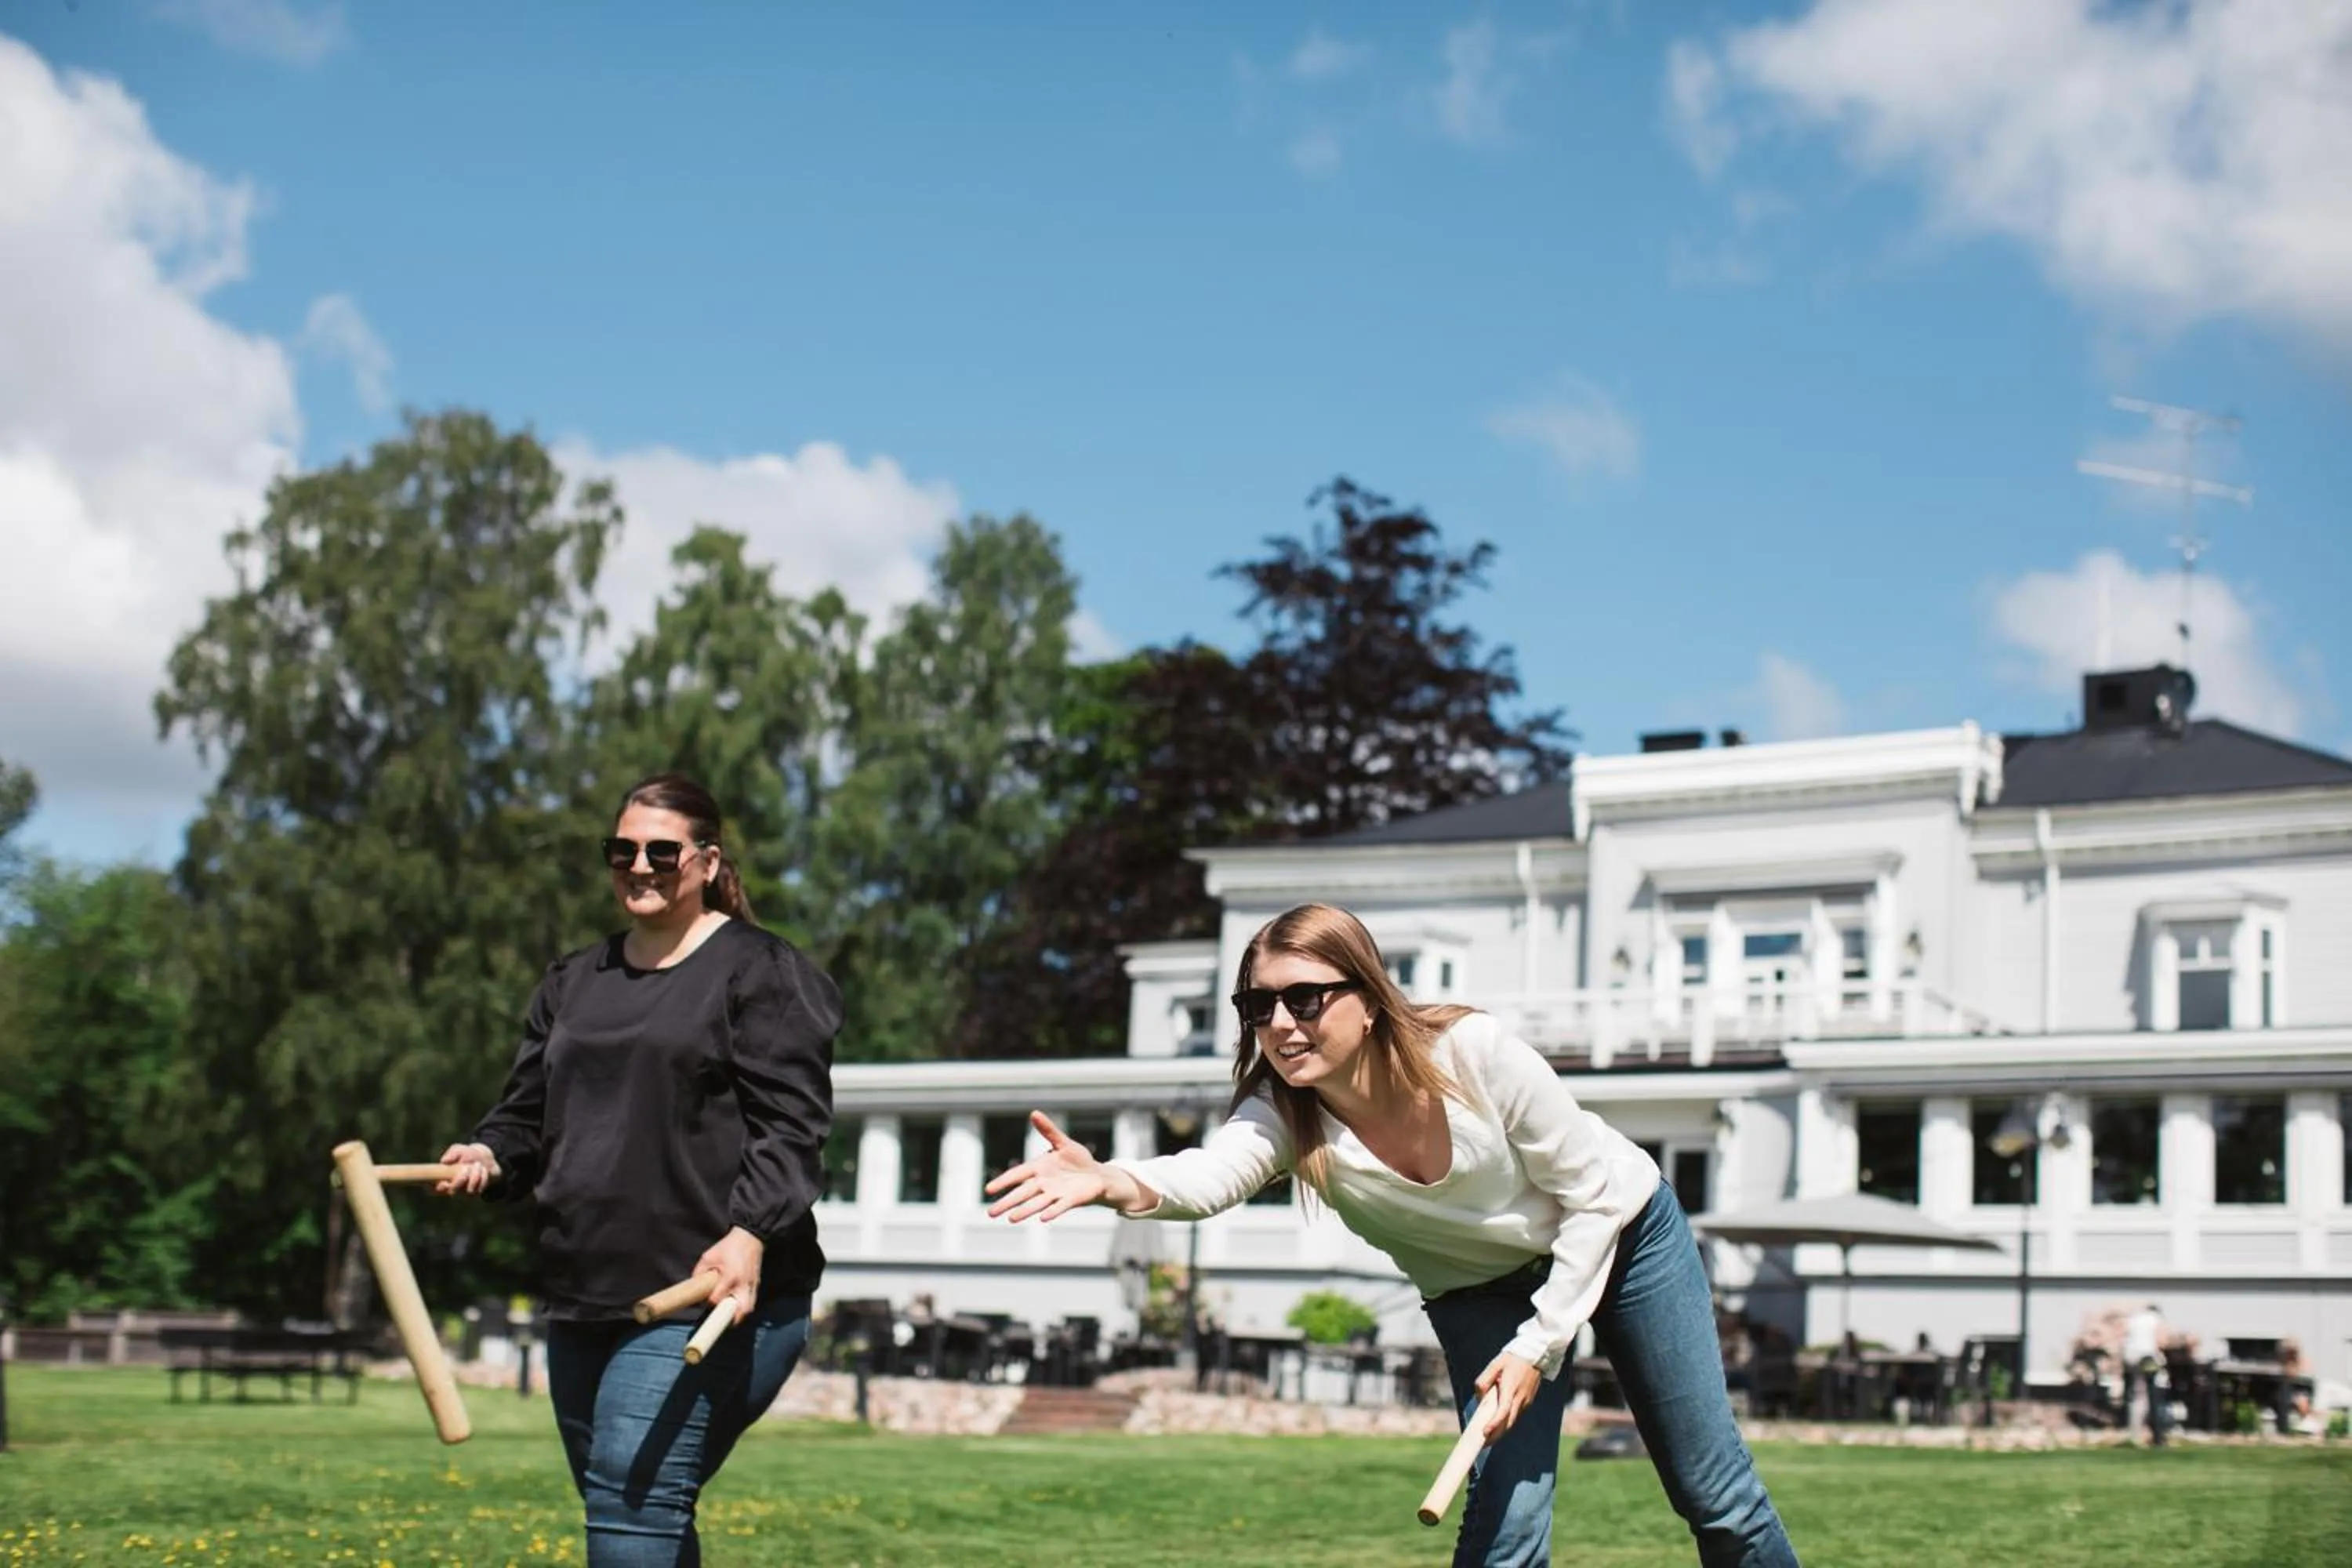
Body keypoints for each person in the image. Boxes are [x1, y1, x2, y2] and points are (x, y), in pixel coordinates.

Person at [985, 902, 1798, 1567]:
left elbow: (1589, 1197)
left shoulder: (1473, 1053)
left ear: (1368, 997)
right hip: (1477, 1289)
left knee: (1714, 1496)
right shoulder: (1283, 1112)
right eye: (1257, 1005)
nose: (1280, 1022)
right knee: (1507, 1529)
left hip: (1623, 1238)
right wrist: (1114, 1179)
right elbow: (1211, 1174)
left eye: (1306, 998)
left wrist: (1539, 1344)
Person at [436, 773, 842, 1567]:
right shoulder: (574, 979)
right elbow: (526, 1112)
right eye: (621, 849)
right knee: (635, 1506)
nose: (640, 864)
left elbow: (792, 1126)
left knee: (633, 1502)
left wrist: (749, 1231)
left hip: (709, 1290)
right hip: (586, 1287)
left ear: (707, 859)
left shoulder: (760, 970)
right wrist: (488, 1152)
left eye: (662, 849)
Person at [2122, 1301, 2167, 1446]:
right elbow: (2161, 1341)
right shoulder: (2155, 1319)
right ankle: (2158, 1436)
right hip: (2148, 1357)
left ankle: (2134, 1434)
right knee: (2153, 1393)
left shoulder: (2134, 1319)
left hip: (2131, 1357)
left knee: (2137, 1394)